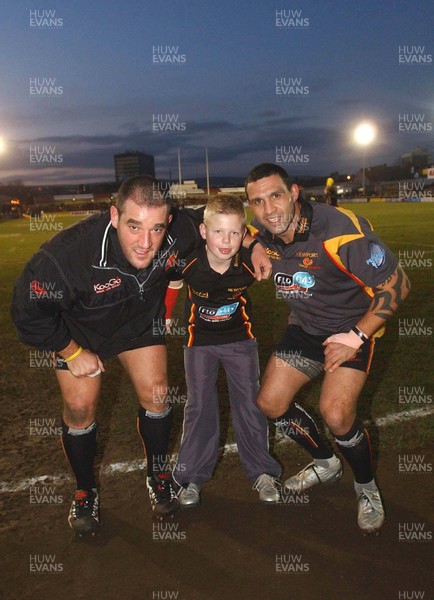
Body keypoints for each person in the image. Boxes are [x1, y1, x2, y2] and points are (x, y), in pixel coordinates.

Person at [11, 176, 271, 536]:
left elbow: (223, 219)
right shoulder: (67, 257)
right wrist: (71, 352)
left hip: (137, 325)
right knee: (80, 410)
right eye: (134, 226)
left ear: (169, 220)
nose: (146, 242)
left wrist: (254, 244)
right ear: (114, 215)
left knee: (157, 393)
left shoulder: (180, 227)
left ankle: (158, 474)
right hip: (81, 334)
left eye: (156, 228)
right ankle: (85, 490)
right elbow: (27, 313)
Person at [245, 163, 411, 534]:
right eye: (257, 201)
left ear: (294, 193)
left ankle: (366, 487)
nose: (269, 208)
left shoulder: (339, 232)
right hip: (305, 329)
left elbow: (398, 285)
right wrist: (254, 244)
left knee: (335, 414)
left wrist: (356, 336)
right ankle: (325, 463)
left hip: (352, 328)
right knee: (270, 403)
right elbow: (233, 229)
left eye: (275, 196)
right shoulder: (261, 230)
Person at [169, 196, 281, 507]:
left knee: (249, 403)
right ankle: (191, 478)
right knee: (199, 406)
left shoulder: (249, 262)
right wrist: (164, 317)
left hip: (239, 340)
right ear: (203, 231)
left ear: (243, 234)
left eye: (234, 233)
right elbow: (171, 284)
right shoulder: (188, 261)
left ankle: (262, 472)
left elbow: (282, 247)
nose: (226, 241)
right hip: (199, 342)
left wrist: (257, 245)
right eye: (218, 232)